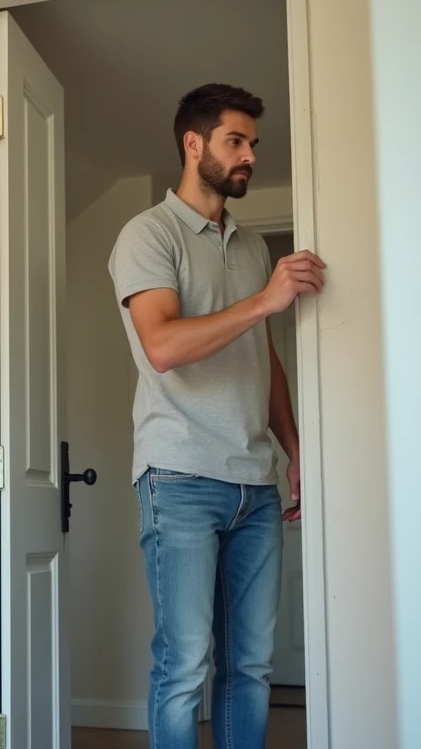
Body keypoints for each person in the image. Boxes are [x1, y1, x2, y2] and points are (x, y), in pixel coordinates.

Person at [107, 83, 326, 749]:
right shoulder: (148, 235)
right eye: (236, 140)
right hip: (179, 480)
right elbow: (164, 345)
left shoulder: (254, 247)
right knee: (184, 668)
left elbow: (264, 361)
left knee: (250, 668)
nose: (250, 156)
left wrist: (295, 451)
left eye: (254, 144)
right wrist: (265, 302)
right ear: (193, 143)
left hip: (256, 484)